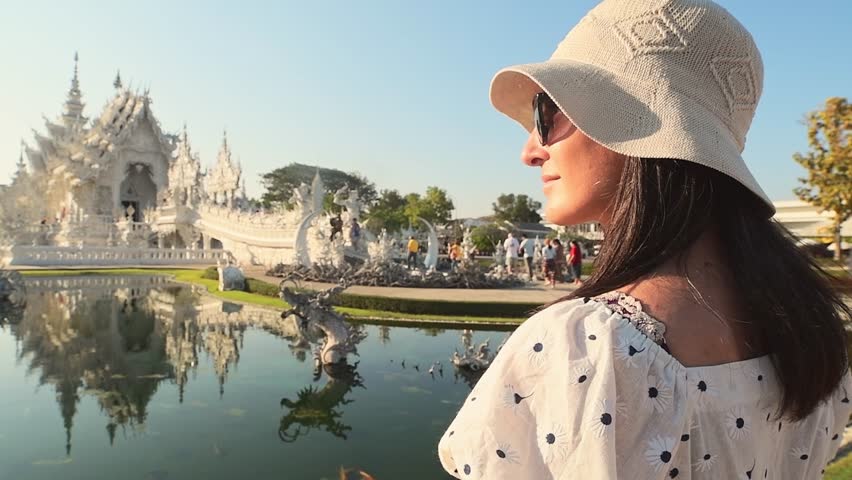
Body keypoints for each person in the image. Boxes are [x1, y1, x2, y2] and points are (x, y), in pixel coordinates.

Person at [438, 1, 852, 478]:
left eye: (546, 112)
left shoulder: (588, 346)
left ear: (635, 123)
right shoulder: (812, 334)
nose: (530, 150)